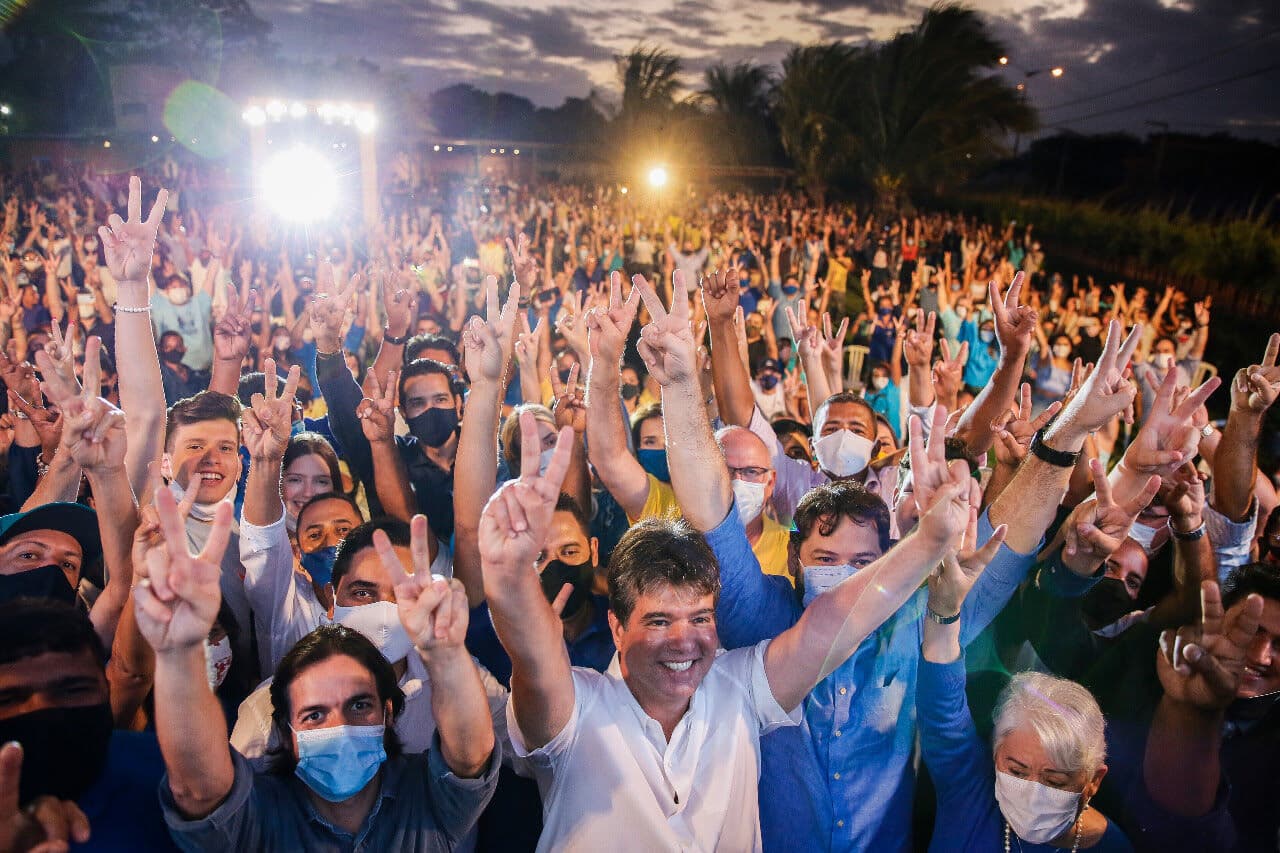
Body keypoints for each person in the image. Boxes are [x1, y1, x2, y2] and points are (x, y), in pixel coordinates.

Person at [137, 488, 500, 851]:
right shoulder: (260, 818)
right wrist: (180, 654)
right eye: (314, 715)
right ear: (285, 729)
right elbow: (199, 790)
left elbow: (471, 758)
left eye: (359, 705)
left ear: (389, 713)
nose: (339, 727)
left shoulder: (427, 801)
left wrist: (445, 652)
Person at [918, 531, 1132, 851]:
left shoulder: (1113, 848)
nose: (1032, 792)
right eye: (1016, 770)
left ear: (1093, 781)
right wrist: (944, 611)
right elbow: (942, 706)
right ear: (994, 753)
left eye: (1054, 781)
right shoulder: (969, 787)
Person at [0, 598, 177, 851]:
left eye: (72, 690)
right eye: (8, 699)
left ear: (106, 688)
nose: (41, 709)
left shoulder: (172, 772)